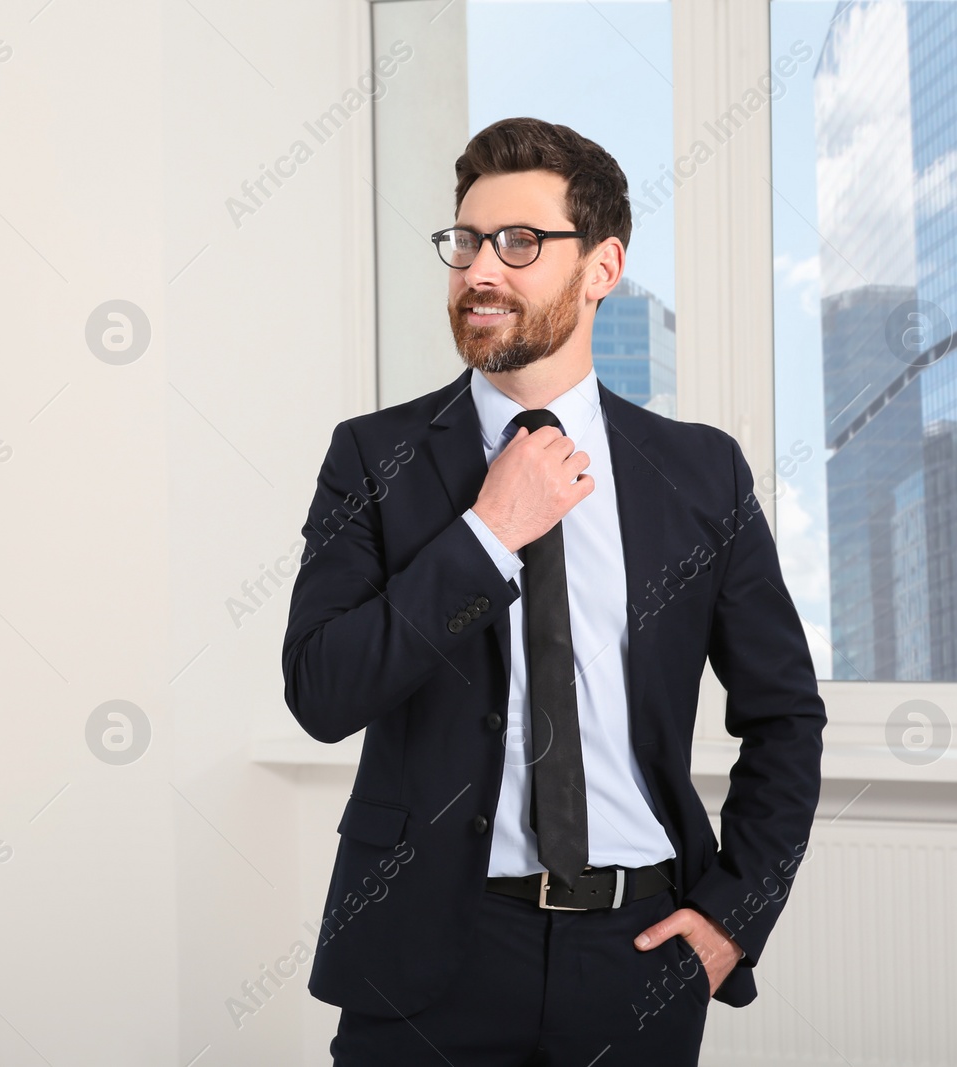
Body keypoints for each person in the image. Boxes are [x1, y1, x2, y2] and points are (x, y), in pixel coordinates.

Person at [281, 116, 826, 1066]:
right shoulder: (374, 458)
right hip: (422, 960)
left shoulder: (701, 474)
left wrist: (730, 918)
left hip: (639, 955)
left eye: (520, 243)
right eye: (465, 242)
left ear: (603, 267)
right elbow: (323, 691)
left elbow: (785, 715)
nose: (479, 271)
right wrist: (488, 533)